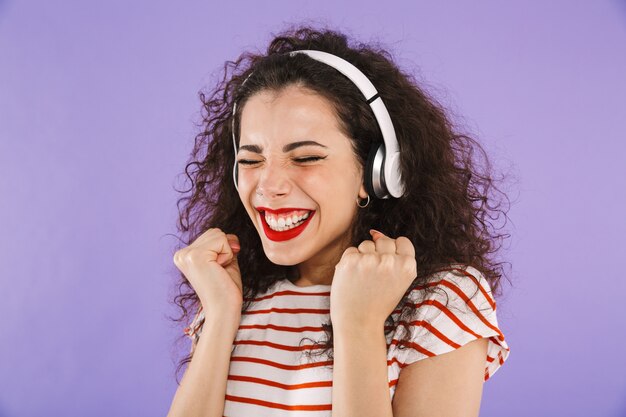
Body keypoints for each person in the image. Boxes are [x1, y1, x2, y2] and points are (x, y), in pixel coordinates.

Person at [167, 24, 512, 417]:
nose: (269, 185)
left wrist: (359, 326)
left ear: (374, 173)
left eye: (306, 157)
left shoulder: (440, 301)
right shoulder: (234, 291)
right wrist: (220, 314)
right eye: (250, 160)